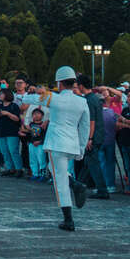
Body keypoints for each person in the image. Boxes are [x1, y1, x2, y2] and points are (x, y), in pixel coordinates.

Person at [41, 66, 91, 232]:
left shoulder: (54, 99)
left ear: (60, 83)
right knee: (55, 170)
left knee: (59, 181)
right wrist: (82, 148)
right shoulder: (82, 101)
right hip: (72, 143)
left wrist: (34, 93)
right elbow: (84, 128)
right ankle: (75, 184)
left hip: (56, 142)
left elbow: (36, 99)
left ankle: (68, 219)